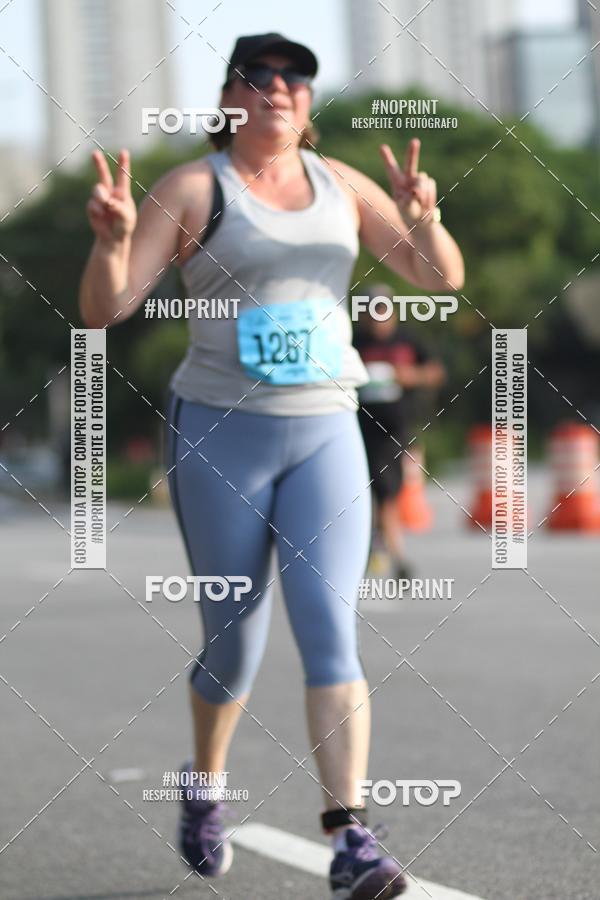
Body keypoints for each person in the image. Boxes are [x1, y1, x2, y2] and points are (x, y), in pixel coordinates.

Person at [79, 32, 464, 900]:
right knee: (233, 644)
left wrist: (425, 214)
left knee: (331, 633)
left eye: (296, 79)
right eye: (261, 77)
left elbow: (440, 278)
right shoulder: (192, 187)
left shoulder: (344, 187)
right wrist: (111, 240)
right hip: (221, 433)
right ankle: (206, 789)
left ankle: (350, 835)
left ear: (307, 102)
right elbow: (106, 308)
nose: (281, 90)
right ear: (231, 98)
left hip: (327, 427)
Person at [355, 283, 446, 579]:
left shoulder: (408, 340)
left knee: (388, 493)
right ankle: (385, 552)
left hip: (395, 430)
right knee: (368, 493)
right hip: (360, 428)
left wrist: (411, 376)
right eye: (372, 310)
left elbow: (435, 372)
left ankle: (388, 551)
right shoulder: (356, 343)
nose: (378, 317)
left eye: (383, 310)